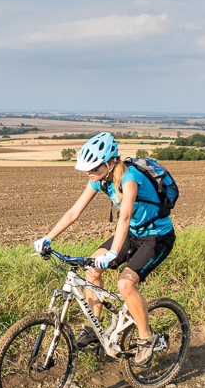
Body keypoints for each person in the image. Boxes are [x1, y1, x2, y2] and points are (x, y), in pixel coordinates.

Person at [33, 132, 175, 363]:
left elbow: (125, 216)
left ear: (110, 163)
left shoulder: (129, 177)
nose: (88, 172)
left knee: (125, 284)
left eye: (93, 167)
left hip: (157, 236)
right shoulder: (98, 179)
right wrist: (47, 237)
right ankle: (93, 329)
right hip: (132, 234)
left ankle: (147, 337)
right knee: (91, 271)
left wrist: (112, 253)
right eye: (86, 168)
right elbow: (74, 211)